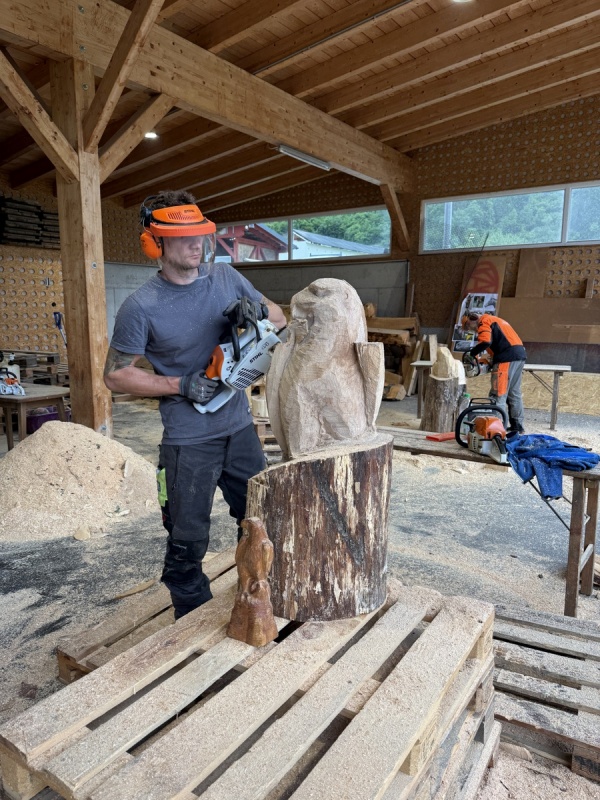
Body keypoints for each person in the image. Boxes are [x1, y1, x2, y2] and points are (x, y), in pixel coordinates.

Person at [104, 190, 286, 619]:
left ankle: (261, 605)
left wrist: (257, 315)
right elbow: (114, 375)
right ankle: (190, 628)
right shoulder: (141, 306)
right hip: (188, 441)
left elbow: (279, 317)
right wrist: (180, 384)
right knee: (187, 542)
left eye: (200, 234)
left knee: (263, 520)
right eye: (182, 237)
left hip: (239, 429)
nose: (196, 245)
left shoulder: (226, 278)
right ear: (154, 243)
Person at [461, 310, 527, 434]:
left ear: (473, 318)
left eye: (468, 326)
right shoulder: (495, 320)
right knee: (514, 393)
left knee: (498, 394)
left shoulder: (484, 322)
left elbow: (485, 342)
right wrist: (489, 361)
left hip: (506, 359)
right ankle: (517, 427)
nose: (471, 330)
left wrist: (472, 353)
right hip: (519, 356)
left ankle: (497, 428)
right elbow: (498, 344)